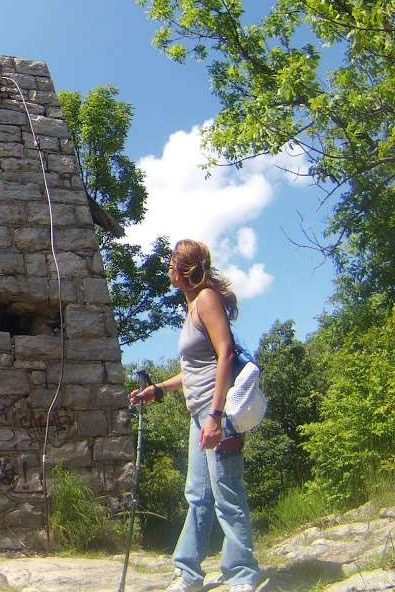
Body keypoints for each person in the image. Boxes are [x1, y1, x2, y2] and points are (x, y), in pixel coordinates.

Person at [130, 239, 261, 592]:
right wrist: (157, 390)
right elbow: (193, 371)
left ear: (183, 270)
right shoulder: (190, 309)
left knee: (226, 492)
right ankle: (188, 572)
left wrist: (216, 416)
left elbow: (226, 354)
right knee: (198, 494)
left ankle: (242, 573)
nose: (168, 268)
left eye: (172, 262)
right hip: (198, 413)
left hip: (218, 412)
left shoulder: (206, 300)